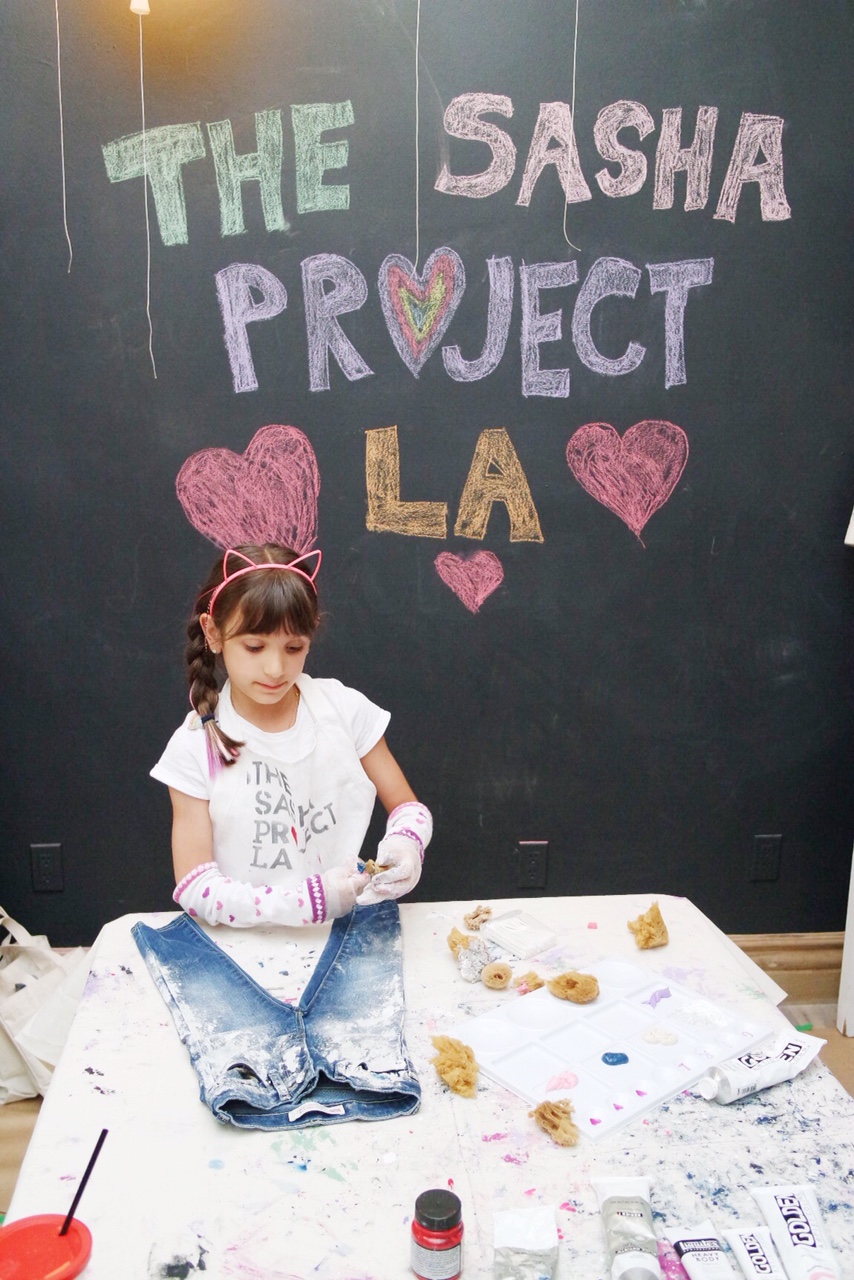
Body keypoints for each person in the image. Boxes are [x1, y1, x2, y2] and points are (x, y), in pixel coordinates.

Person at [151, 542, 432, 927]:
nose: (275, 668)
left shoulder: (343, 710)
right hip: (240, 945)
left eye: (294, 647)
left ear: (311, 633)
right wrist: (305, 902)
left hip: (339, 934)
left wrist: (407, 843)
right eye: (254, 646)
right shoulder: (194, 747)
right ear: (213, 633)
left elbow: (407, 807)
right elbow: (196, 889)